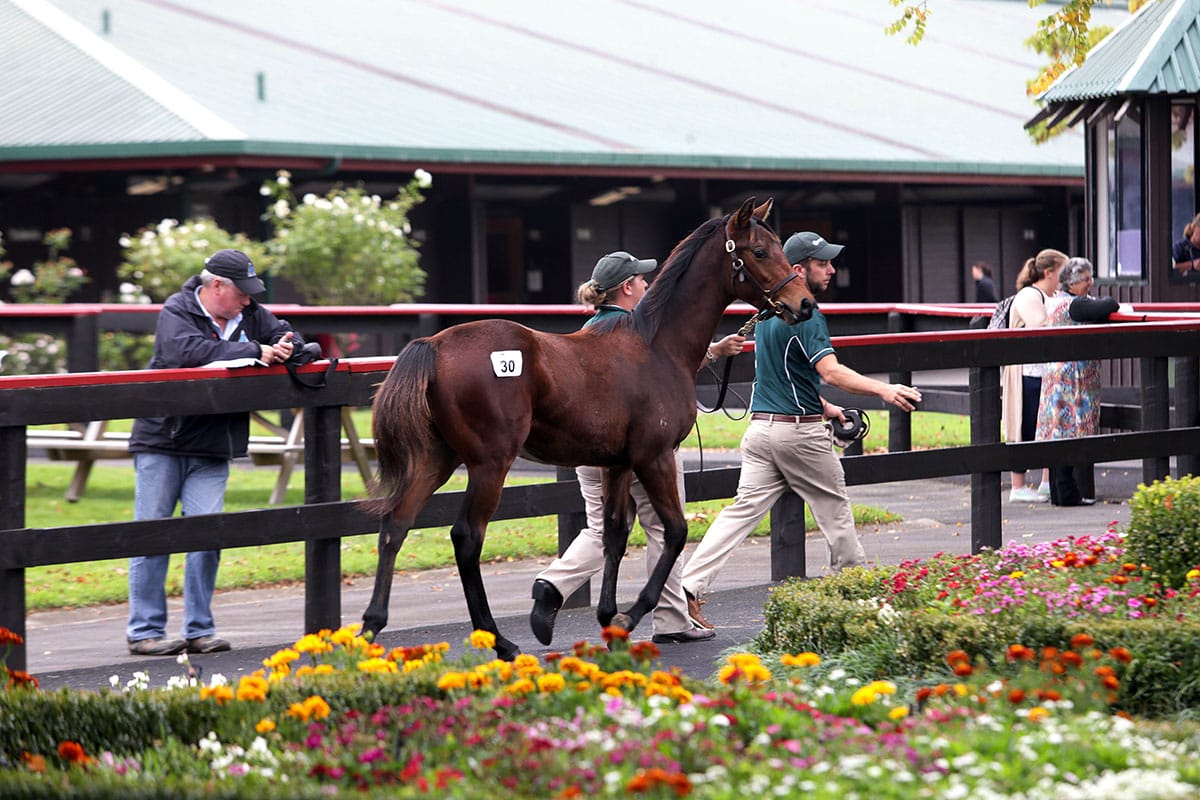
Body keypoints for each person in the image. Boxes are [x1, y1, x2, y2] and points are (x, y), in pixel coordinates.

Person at [679, 232, 922, 629]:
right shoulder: (807, 314)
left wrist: (827, 408)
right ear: (798, 269)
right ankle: (856, 599)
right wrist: (885, 388)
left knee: (739, 514)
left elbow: (787, 376)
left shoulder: (768, 315)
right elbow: (830, 371)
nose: (831, 269)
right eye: (822, 263)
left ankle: (688, 587)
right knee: (836, 512)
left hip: (761, 432)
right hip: (799, 436)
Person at [529, 251, 744, 645]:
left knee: (600, 528)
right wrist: (713, 351)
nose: (648, 285)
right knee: (664, 528)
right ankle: (671, 620)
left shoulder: (593, 330)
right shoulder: (642, 331)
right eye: (642, 280)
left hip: (588, 446)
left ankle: (552, 584)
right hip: (645, 443)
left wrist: (714, 350)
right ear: (628, 287)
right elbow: (662, 372)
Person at [126, 249, 305, 656]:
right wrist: (254, 351)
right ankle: (145, 631)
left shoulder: (251, 314)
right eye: (241, 292)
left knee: (207, 536)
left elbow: (283, 333)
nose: (248, 300)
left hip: (213, 444)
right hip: (163, 440)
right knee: (153, 534)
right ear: (216, 286)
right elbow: (184, 353)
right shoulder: (177, 310)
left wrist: (285, 346)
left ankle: (199, 629)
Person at [1035, 257, 1118, 506]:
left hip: (1057, 377)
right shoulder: (1073, 305)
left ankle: (1060, 494)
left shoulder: (1055, 301)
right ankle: (1068, 494)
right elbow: (1109, 304)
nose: (1090, 284)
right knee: (1069, 434)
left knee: (1058, 434)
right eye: (1086, 280)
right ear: (1072, 282)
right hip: (1072, 381)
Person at [1001, 249, 1066, 503]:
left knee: (1048, 426)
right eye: (1062, 273)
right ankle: (1018, 485)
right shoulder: (1029, 295)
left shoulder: (1050, 295)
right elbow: (1040, 325)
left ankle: (1046, 482)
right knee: (1026, 424)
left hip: (1046, 372)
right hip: (1028, 372)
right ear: (1049, 273)